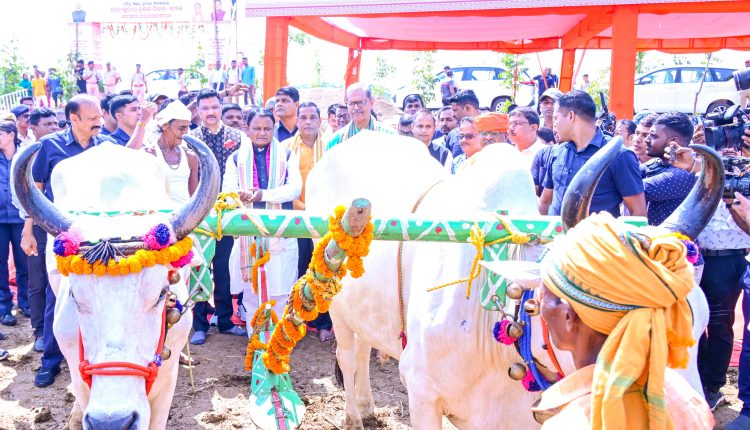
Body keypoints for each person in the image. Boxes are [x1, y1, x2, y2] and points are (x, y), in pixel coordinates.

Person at [529, 213, 714, 429]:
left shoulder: (571, 423)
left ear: (568, 317)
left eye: (545, 298)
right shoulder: (685, 396)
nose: (542, 310)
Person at [30, 95, 115, 387]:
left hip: (101, 233)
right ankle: (50, 360)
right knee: (58, 293)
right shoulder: (48, 146)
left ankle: (101, 356)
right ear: (73, 118)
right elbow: (36, 191)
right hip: (62, 233)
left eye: (99, 117)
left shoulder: (107, 146)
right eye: (91, 119)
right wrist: (29, 230)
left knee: (102, 293)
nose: (98, 123)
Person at [223, 109, 301, 319]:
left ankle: (276, 335)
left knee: (281, 290)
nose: (262, 133)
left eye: (267, 128)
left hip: (281, 232)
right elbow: (228, 192)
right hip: (248, 233)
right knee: (251, 293)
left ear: (274, 129)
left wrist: (262, 195)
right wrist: (239, 196)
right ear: (247, 129)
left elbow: (295, 189)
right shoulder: (236, 158)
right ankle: (255, 335)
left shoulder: (287, 155)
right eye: (256, 128)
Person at [188, 89, 247, 345]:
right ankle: (199, 325)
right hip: (199, 213)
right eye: (205, 108)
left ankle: (225, 320)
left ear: (221, 107)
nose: (210, 112)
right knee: (199, 267)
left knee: (223, 268)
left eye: (214, 107)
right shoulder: (190, 139)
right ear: (198, 111)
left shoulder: (238, 137)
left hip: (228, 212)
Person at [538, 90, 645, 217]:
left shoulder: (618, 155)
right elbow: (545, 202)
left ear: (571, 116)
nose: (554, 124)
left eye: (556, 118)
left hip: (597, 230)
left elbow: (638, 212)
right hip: (556, 230)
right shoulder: (556, 152)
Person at [285, 102, 334, 341]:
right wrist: (302, 207)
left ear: (320, 120)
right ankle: (297, 321)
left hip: (325, 219)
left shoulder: (332, 147)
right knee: (299, 268)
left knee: (324, 269)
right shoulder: (286, 148)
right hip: (296, 217)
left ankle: (323, 323)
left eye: (312, 117)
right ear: (297, 121)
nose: (307, 122)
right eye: (303, 117)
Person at [640, 112, 697, 226]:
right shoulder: (656, 163)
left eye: (654, 136)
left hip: (671, 237)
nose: (646, 140)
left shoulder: (682, 174)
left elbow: (632, 189)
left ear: (673, 142)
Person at [0, 120, 28, 331]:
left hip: (21, 218)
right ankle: (4, 307)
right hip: (0, 219)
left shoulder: (25, 155)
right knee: (0, 265)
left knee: (24, 262)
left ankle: (26, 303)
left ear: (11, 135)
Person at [326, 83, 393, 151]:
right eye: (351, 103)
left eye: (360, 102)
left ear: (371, 102)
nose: (356, 107)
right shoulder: (335, 141)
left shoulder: (389, 136)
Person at [446, 89, 481, 157]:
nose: (452, 115)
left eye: (455, 110)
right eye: (461, 136)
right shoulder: (452, 135)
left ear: (467, 108)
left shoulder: (492, 131)